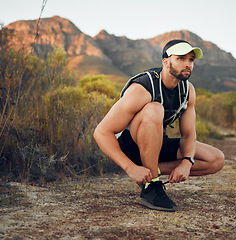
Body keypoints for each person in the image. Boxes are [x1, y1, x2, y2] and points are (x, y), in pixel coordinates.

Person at [93, 39, 225, 212]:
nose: (188, 64)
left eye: (191, 60)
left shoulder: (187, 90)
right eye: (181, 58)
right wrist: (130, 168)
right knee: (154, 109)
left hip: (156, 144)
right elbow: (102, 132)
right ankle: (151, 186)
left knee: (216, 159)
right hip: (131, 146)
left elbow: (188, 135)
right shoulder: (143, 88)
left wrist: (186, 162)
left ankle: (149, 171)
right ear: (165, 62)